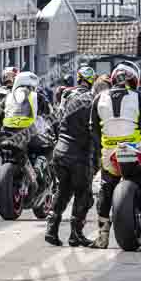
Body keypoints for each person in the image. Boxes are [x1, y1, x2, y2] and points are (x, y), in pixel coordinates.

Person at [89, 63, 141, 249]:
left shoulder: (98, 99)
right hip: (136, 148)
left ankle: (102, 235)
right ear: (134, 80)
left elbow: (93, 129)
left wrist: (103, 146)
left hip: (110, 153)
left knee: (106, 187)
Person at [45, 66, 97, 247]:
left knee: (63, 190)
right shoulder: (93, 101)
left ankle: (51, 230)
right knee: (84, 194)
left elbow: (56, 121)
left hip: (60, 151)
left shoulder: (66, 96)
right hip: (79, 155)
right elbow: (95, 130)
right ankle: (76, 234)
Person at [0, 71, 51, 193]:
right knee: (48, 148)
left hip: (6, 133)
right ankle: (37, 169)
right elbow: (49, 115)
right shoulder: (37, 96)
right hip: (28, 134)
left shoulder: (7, 97)